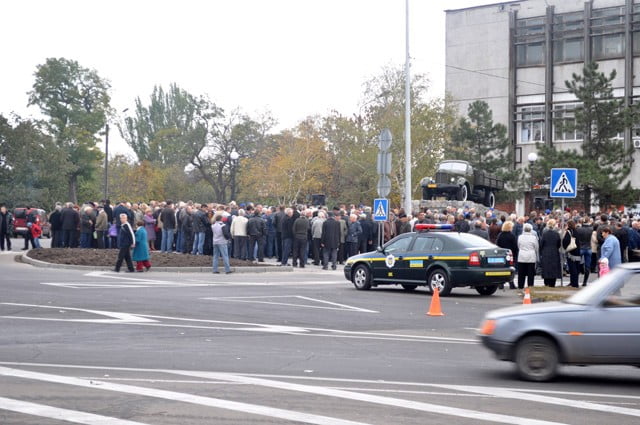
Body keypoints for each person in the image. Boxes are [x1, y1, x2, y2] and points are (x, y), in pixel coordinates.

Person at [540, 218, 562, 287]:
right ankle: (553, 283)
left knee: (546, 267)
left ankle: (546, 282)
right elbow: (559, 244)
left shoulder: (544, 234)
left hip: (546, 252)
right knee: (554, 268)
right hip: (554, 252)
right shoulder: (557, 234)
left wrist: (541, 251)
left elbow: (541, 243)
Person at [496, 221, 518, 289]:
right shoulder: (512, 236)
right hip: (510, 254)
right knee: (510, 269)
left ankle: (500, 284)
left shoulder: (500, 235)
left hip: (501, 254)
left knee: (501, 269)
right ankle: (511, 283)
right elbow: (515, 246)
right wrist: (515, 254)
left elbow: (497, 244)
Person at [516, 223, 538, 289]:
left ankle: (520, 285)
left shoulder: (520, 237)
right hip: (531, 256)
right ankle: (530, 286)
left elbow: (518, 245)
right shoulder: (534, 238)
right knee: (530, 273)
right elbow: (536, 247)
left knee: (521, 273)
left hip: (522, 255)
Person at [562, 220, 581, 288]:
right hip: (577, 251)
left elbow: (566, 241)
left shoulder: (569, 232)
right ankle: (574, 282)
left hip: (571, 252)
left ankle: (574, 283)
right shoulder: (576, 231)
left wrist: (565, 247)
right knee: (576, 268)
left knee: (572, 269)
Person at [575, 218, 593, 286]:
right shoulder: (591, 229)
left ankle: (576, 280)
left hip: (581, 247)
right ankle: (585, 282)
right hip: (588, 247)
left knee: (577, 264)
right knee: (587, 266)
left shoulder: (579, 229)